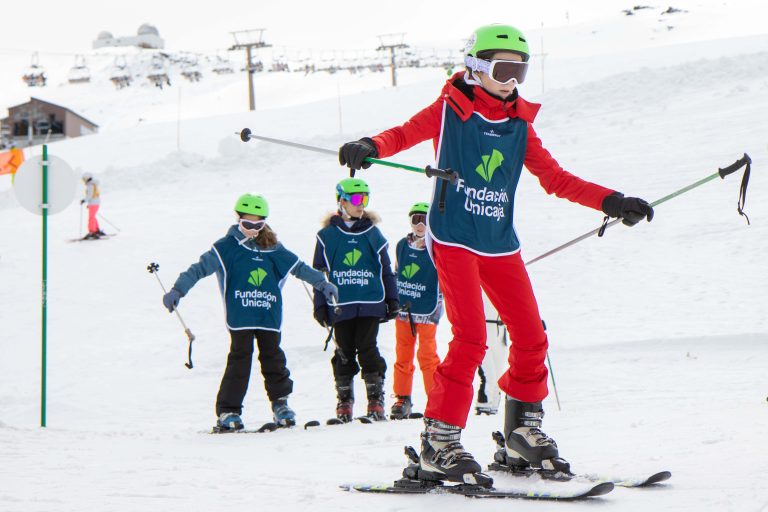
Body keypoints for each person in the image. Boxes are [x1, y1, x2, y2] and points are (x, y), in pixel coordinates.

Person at [338, 24, 654, 482]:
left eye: (519, 72)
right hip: (453, 237)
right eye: (504, 70)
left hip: (500, 242)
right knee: (471, 339)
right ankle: (438, 440)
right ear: (476, 67)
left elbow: (556, 179)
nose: (511, 81)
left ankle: (521, 433)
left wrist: (612, 201)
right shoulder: (450, 109)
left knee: (531, 335)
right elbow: (405, 133)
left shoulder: (519, 125)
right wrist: (371, 146)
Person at [162, 194, 338, 432]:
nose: (253, 230)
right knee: (240, 360)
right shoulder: (225, 247)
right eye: (247, 224)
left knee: (274, 359)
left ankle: (281, 405)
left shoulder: (273, 247)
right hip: (241, 315)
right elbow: (198, 269)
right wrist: (177, 290)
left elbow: (299, 268)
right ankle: (228, 411)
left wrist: (322, 283)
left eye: (258, 224)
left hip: (268, 314)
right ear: (238, 219)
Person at [312, 178, 399, 422]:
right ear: (342, 201)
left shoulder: (373, 233)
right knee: (344, 351)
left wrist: (392, 298)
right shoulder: (326, 236)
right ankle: (344, 403)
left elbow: (385, 269)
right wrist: (320, 304)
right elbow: (319, 273)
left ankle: (375, 401)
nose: (362, 204)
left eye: (365, 199)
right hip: (340, 304)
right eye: (357, 199)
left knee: (368, 348)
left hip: (370, 302)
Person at [391, 202, 443, 420]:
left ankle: (435, 399)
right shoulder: (402, 245)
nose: (420, 224)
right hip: (405, 310)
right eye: (416, 219)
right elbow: (397, 272)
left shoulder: (437, 246)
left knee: (427, 355)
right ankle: (402, 397)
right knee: (403, 353)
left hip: (428, 309)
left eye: (424, 219)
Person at [475, 291, 507, 415]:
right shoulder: (479, 283)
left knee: (499, 375)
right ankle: (484, 405)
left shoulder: (507, 286)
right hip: (484, 329)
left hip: (501, 332)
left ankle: (493, 405)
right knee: (489, 374)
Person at [80, 172, 105, 239]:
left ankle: (92, 232)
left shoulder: (90, 185)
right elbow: (93, 195)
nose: (84, 181)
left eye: (84, 179)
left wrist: (84, 200)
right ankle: (96, 230)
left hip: (93, 203)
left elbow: (89, 195)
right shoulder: (93, 184)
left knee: (91, 218)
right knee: (93, 217)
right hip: (95, 203)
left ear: (87, 178)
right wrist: (89, 204)